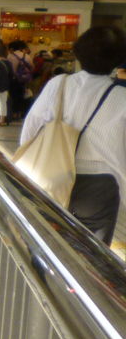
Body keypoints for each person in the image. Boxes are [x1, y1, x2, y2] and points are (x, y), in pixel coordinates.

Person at [20, 25, 126, 244]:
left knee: (47, 241)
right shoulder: (121, 97)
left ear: (79, 52)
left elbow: (31, 127)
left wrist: (32, 163)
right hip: (99, 186)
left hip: (51, 175)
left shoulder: (58, 84)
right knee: (92, 254)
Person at [7, 40, 33, 123]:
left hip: (13, 79)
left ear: (12, 48)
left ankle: (14, 114)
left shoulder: (10, 56)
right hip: (23, 80)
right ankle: (20, 113)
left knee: (13, 96)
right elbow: (32, 67)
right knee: (22, 96)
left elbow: (9, 69)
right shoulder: (27, 56)